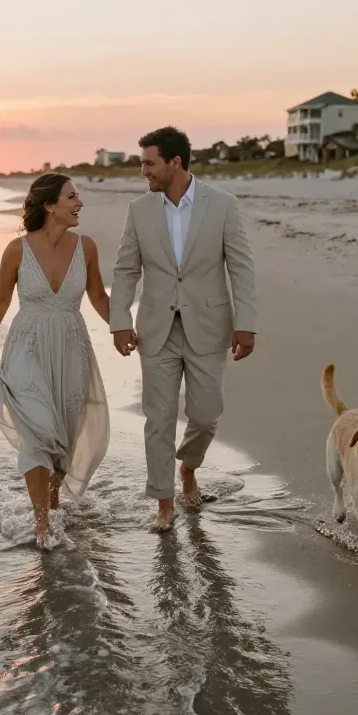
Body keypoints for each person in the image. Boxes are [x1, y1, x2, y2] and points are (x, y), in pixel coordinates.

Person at [110, 127, 257, 533]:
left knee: (207, 415)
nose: (143, 171)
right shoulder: (139, 210)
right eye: (142, 163)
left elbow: (241, 268)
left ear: (175, 163)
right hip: (155, 327)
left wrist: (246, 324)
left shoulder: (222, 205)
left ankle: (188, 466)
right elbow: (126, 269)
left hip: (209, 325)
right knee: (158, 418)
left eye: (149, 163)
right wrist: (119, 320)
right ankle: (164, 502)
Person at [0, 173, 112, 547]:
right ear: (50, 205)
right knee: (37, 431)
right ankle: (41, 524)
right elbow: (1, 300)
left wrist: (124, 327)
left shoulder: (86, 247)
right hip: (27, 346)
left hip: (72, 346)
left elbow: (99, 297)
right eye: (72, 197)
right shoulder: (16, 249)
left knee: (64, 434)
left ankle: (53, 502)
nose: (79, 203)